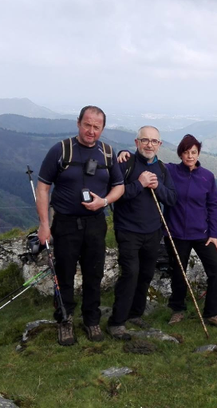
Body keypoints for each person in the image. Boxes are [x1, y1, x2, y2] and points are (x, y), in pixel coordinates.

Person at [36, 105, 125, 346]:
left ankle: (91, 320)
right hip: (64, 223)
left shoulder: (107, 153)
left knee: (93, 274)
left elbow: (120, 186)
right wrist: (45, 224)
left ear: (103, 128)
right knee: (64, 274)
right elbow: (43, 187)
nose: (91, 131)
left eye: (97, 127)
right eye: (87, 125)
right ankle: (64, 321)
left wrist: (104, 202)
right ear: (78, 123)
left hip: (96, 223)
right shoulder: (61, 150)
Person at [107, 126, 177, 340]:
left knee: (146, 274)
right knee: (130, 274)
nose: (149, 144)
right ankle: (117, 322)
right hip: (128, 230)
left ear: (160, 145)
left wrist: (158, 188)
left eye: (154, 141)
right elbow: (115, 196)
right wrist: (139, 184)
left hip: (153, 231)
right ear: (136, 142)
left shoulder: (163, 170)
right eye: (145, 140)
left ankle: (135, 313)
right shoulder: (125, 164)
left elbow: (172, 199)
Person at [161, 134, 217, 328]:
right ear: (180, 153)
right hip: (175, 233)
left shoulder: (207, 176)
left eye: (193, 152)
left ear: (199, 153)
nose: (190, 156)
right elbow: (149, 161)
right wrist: (124, 153)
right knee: (178, 272)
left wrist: (214, 234)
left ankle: (213, 312)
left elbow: (213, 206)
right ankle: (177, 310)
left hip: (202, 234)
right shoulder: (170, 171)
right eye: (186, 152)